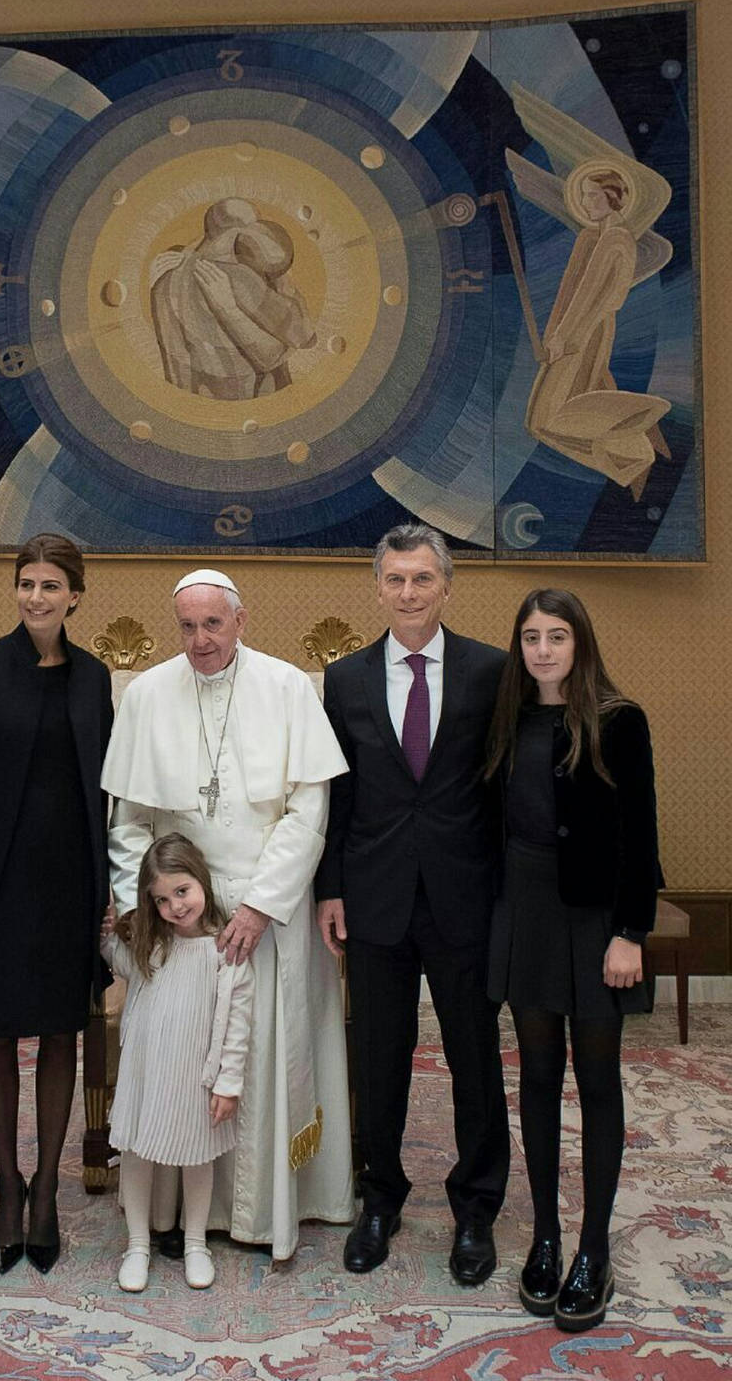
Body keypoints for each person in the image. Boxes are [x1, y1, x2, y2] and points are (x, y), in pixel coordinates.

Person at [100, 567, 353, 1262]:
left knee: (260, 1057)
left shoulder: (286, 688)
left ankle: (265, 1210)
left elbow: (309, 809)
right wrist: (139, 913)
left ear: (242, 620)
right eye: (187, 626)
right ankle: (179, 1218)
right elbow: (129, 825)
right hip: (180, 926)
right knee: (186, 1065)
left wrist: (262, 906)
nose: (200, 640)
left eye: (213, 624)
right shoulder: (149, 694)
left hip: (267, 915)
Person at [315, 523, 510, 1282]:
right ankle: (380, 1198)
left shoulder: (491, 672)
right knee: (379, 1057)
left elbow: (499, 792)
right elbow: (336, 794)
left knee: (474, 1058)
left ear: (446, 586)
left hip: (465, 897)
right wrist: (330, 887)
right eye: (395, 580)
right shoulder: (346, 679)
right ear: (379, 587)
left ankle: (476, 1207)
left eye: (421, 579)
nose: (408, 593)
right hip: (374, 899)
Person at [0, 532, 112, 1274]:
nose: (36, 597)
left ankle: (47, 1191)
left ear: (75, 594)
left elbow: (107, 785)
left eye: (50, 585)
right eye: (26, 584)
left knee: (63, 1033)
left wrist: (110, 888)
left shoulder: (94, 676)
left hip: (69, 880)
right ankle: (9, 1186)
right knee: (0, 1032)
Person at [485, 588, 660, 1331]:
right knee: (536, 1076)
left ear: (581, 643)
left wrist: (631, 932)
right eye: (531, 636)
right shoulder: (508, 718)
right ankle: (547, 1237)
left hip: (593, 923)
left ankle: (594, 1249)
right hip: (523, 912)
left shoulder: (619, 721)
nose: (544, 649)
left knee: (595, 1082)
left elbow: (640, 834)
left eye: (558, 635)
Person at [101, 833, 253, 1293]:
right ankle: (138, 1244)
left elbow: (238, 1025)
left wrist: (228, 1083)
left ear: (201, 879)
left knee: (198, 1158)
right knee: (137, 1154)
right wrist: (108, 933)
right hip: (145, 1074)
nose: (174, 906)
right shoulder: (153, 943)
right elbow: (120, 960)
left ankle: (195, 1243)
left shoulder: (225, 949)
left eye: (181, 891)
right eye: (162, 899)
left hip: (194, 1080)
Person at [524, 161, 671, 493]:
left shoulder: (617, 241)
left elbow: (598, 297)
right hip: (574, 332)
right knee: (547, 417)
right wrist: (554, 331)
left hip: (586, 333)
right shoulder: (593, 237)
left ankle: (635, 442)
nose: (587, 203)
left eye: (592, 195)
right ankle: (629, 449)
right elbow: (570, 290)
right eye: (584, 196)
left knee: (543, 421)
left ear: (612, 197)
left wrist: (566, 336)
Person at [150, 197, 315, 399]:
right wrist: (280, 278)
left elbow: (177, 373)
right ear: (237, 234)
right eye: (255, 230)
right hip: (261, 404)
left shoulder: (163, 283)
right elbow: (303, 336)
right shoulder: (241, 277)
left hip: (209, 412)